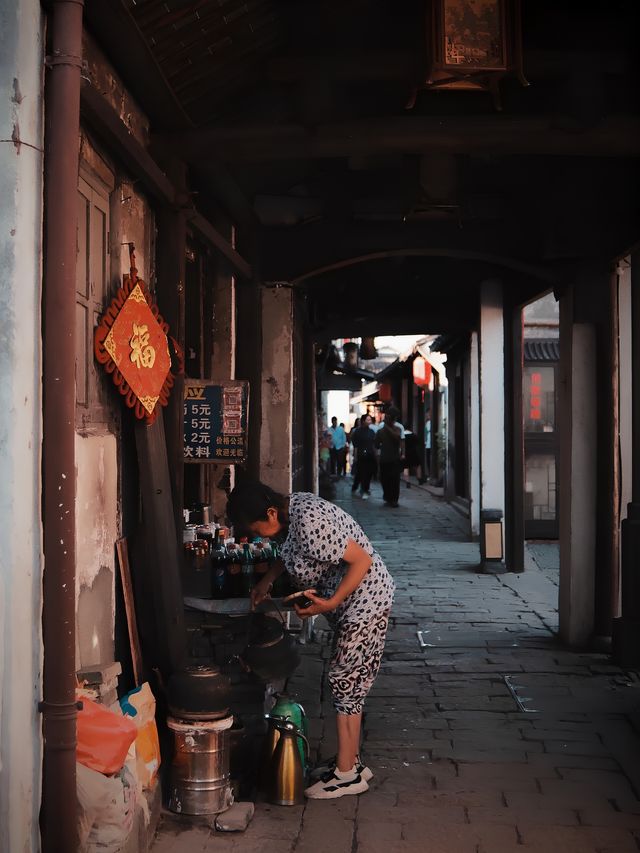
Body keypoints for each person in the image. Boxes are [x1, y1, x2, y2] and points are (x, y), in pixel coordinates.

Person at [226, 481, 395, 800]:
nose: (259, 535)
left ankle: (347, 776)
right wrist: (267, 580)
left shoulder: (308, 523)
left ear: (271, 512)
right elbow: (290, 552)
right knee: (347, 679)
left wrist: (330, 603)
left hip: (366, 603)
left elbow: (361, 562)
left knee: (345, 679)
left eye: (257, 527)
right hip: (355, 605)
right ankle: (351, 763)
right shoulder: (293, 509)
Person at [375, 406, 404, 507]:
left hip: (394, 459)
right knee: (385, 480)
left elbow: (397, 438)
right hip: (384, 459)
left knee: (395, 480)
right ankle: (388, 498)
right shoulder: (380, 431)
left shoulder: (397, 429)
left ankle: (394, 499)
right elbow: (376, 445)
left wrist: (387, 427)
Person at [350, 414, 376, 499]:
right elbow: (355, 445)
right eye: (368, 420)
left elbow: (374, 444)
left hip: (370, 455)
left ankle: (363, 488)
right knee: (362, 472)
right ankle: (363, 489)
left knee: (368, 473)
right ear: (363, 421)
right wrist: (355, 456)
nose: (369, 421)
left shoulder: (372, 432)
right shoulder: (357, 432)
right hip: (361, 455)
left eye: (370, 420)